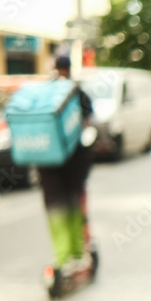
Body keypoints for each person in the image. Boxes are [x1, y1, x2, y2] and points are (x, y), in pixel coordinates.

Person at [38, 55, 94, 274]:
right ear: (69, 69)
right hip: (73, 161)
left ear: (55, 68)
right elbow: (88, 123)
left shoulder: (44, 93)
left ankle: (61, 257)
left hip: (46, 162)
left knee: (54, 208)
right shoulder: (76, 93)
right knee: (74, 205)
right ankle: (78, 254)